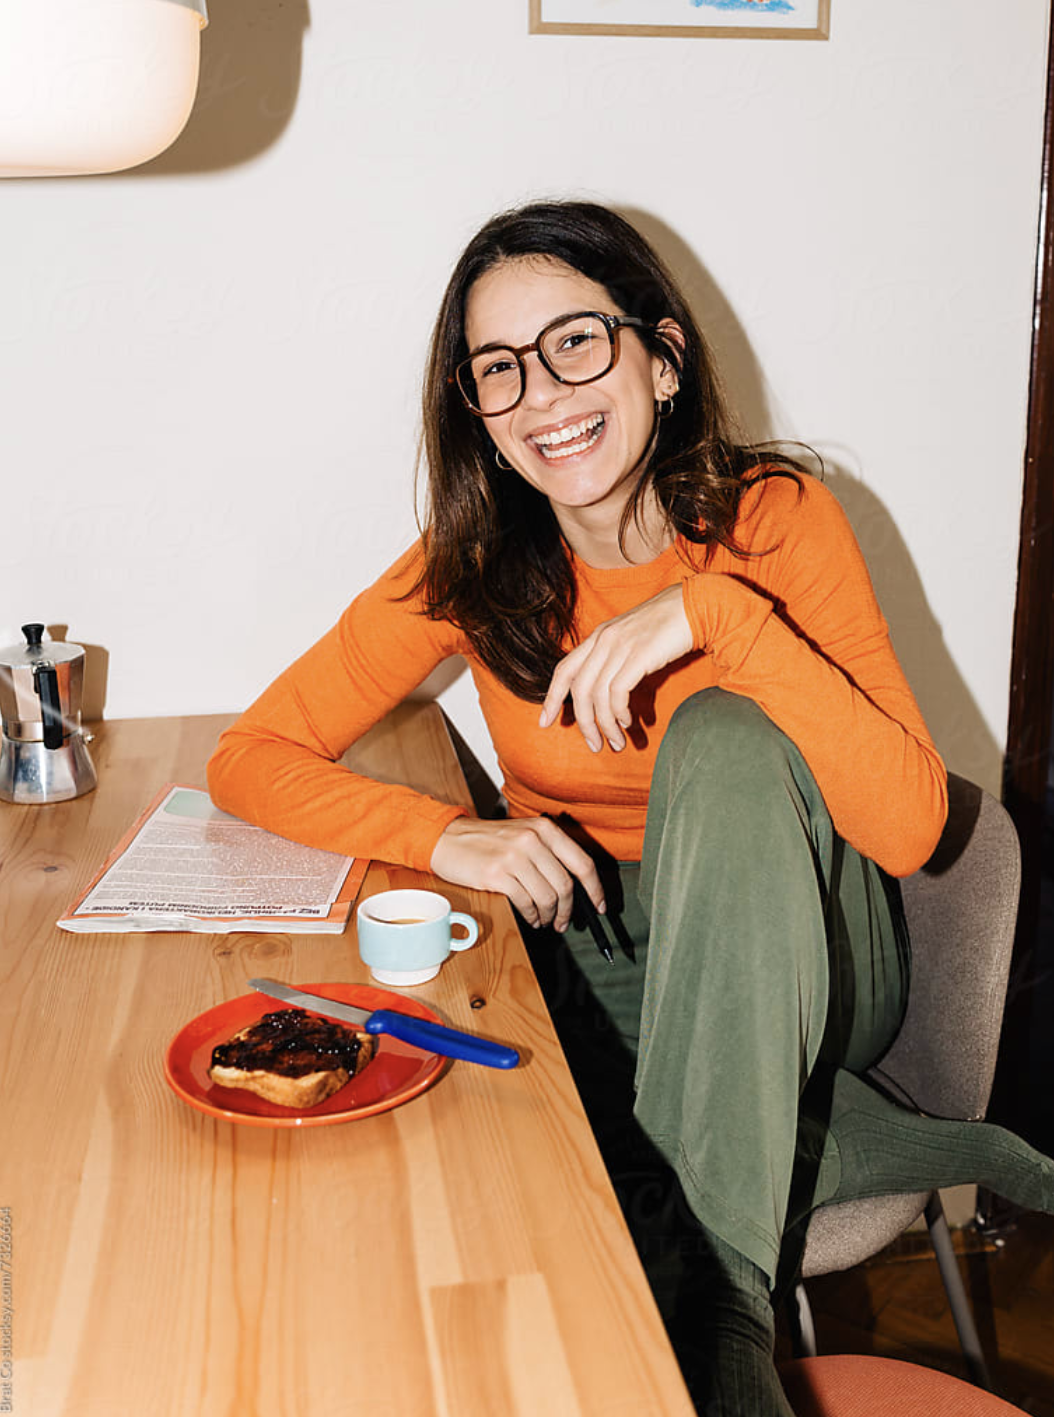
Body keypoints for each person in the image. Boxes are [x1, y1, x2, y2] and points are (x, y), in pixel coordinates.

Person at [208, 200, 1054, 1415]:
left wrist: (720, 620)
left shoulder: (774, 520)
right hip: (618, 952)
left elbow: (917, 828)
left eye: (576, 342)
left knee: (718, 731)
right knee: (479, 1122)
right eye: (499, 369)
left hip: (819, 950)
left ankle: (726, 1318)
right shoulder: (471, 568)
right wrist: (449, 830)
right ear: (481, 421)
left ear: (660, 357)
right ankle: (849, 1141)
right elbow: (252, 753)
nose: (543, 391)